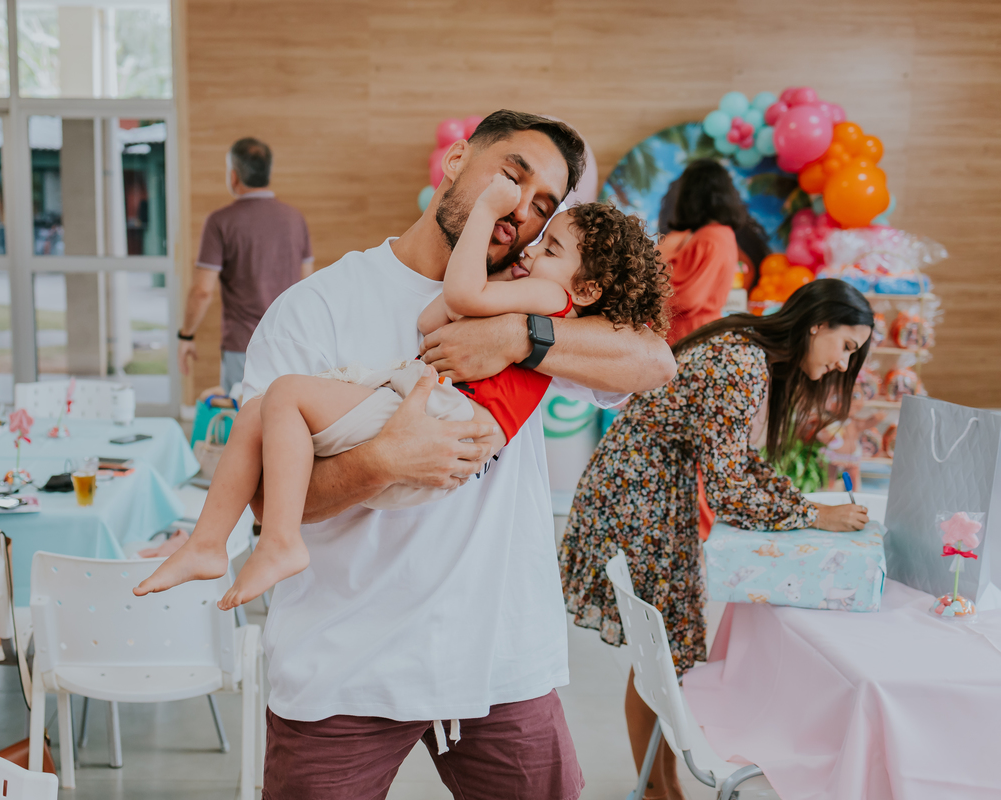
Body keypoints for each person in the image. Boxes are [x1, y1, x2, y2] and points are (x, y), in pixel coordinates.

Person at [174, 110, 673, 800]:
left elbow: (655, 362)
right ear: (457, 159)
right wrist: (385, 460)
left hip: (501, 664)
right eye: (510, 176)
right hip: (342, 669)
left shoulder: (539, 309)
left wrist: (519, 340)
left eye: (541, 206)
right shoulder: (315, 307)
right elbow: (265, 498)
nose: (520, 210)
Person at [133, 180, 671, 610]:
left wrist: (486, 211)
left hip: (443, 417)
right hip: (424, 400)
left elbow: (458, 296)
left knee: (286, 397)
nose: (532, 248)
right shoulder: (529, 295)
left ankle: (277, 542)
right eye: (508, 180)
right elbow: (434, 315)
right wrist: (490, 297)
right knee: (260, 412)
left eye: (550, 246)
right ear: (457, 160)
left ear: (586, 290)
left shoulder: (552, 299)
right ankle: (207, 544)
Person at [558, 278, 874, 800]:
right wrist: (810, 514)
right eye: (845, 346)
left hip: (648, 484)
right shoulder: (743, 363)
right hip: (639, 492)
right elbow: (729, 491)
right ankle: (662, 790)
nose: (844, 363)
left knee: (661, 654)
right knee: (660, 654)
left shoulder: (747, 350)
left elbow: (738, 461)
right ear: (817, 324)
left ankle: (663, 786)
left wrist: (801, 505)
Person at [177, 137, 314, 394]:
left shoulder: (220, 222)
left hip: (243, 347)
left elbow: (201, 292)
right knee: (282, 421)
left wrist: (186, 335)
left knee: (243, 423)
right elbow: (307, 284)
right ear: (268, 173)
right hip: (290, 344)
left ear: (234, 176)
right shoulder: (295, 219)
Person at [657, 159, 750, 344]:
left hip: (687, 336)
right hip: (696, 332)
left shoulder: (709, 238)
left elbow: (688, 298)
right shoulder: (720, 234)